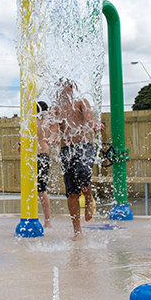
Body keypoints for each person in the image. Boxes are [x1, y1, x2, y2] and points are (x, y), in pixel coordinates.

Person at [50, 80, 101, 241]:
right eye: (59, 89)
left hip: (84, 146)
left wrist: (94, 124)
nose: (62, 92)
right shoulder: (55, 108)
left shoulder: (81, 102)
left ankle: (88, 199)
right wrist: (54, 136)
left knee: (83, 172)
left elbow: (88, 116)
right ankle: (77, 231)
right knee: (71, 190)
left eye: (65, 88)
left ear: (72, 89)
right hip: (66, 150)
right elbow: (55, 128)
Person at [36, 101, 53, 228]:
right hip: (44, 156)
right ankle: (47, 221)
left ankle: (32, 216)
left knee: (34, 189)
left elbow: (22, 137)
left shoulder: (31, 121)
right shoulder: (48, 121)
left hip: (33, 157)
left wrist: (19, 145)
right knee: (42, 190)